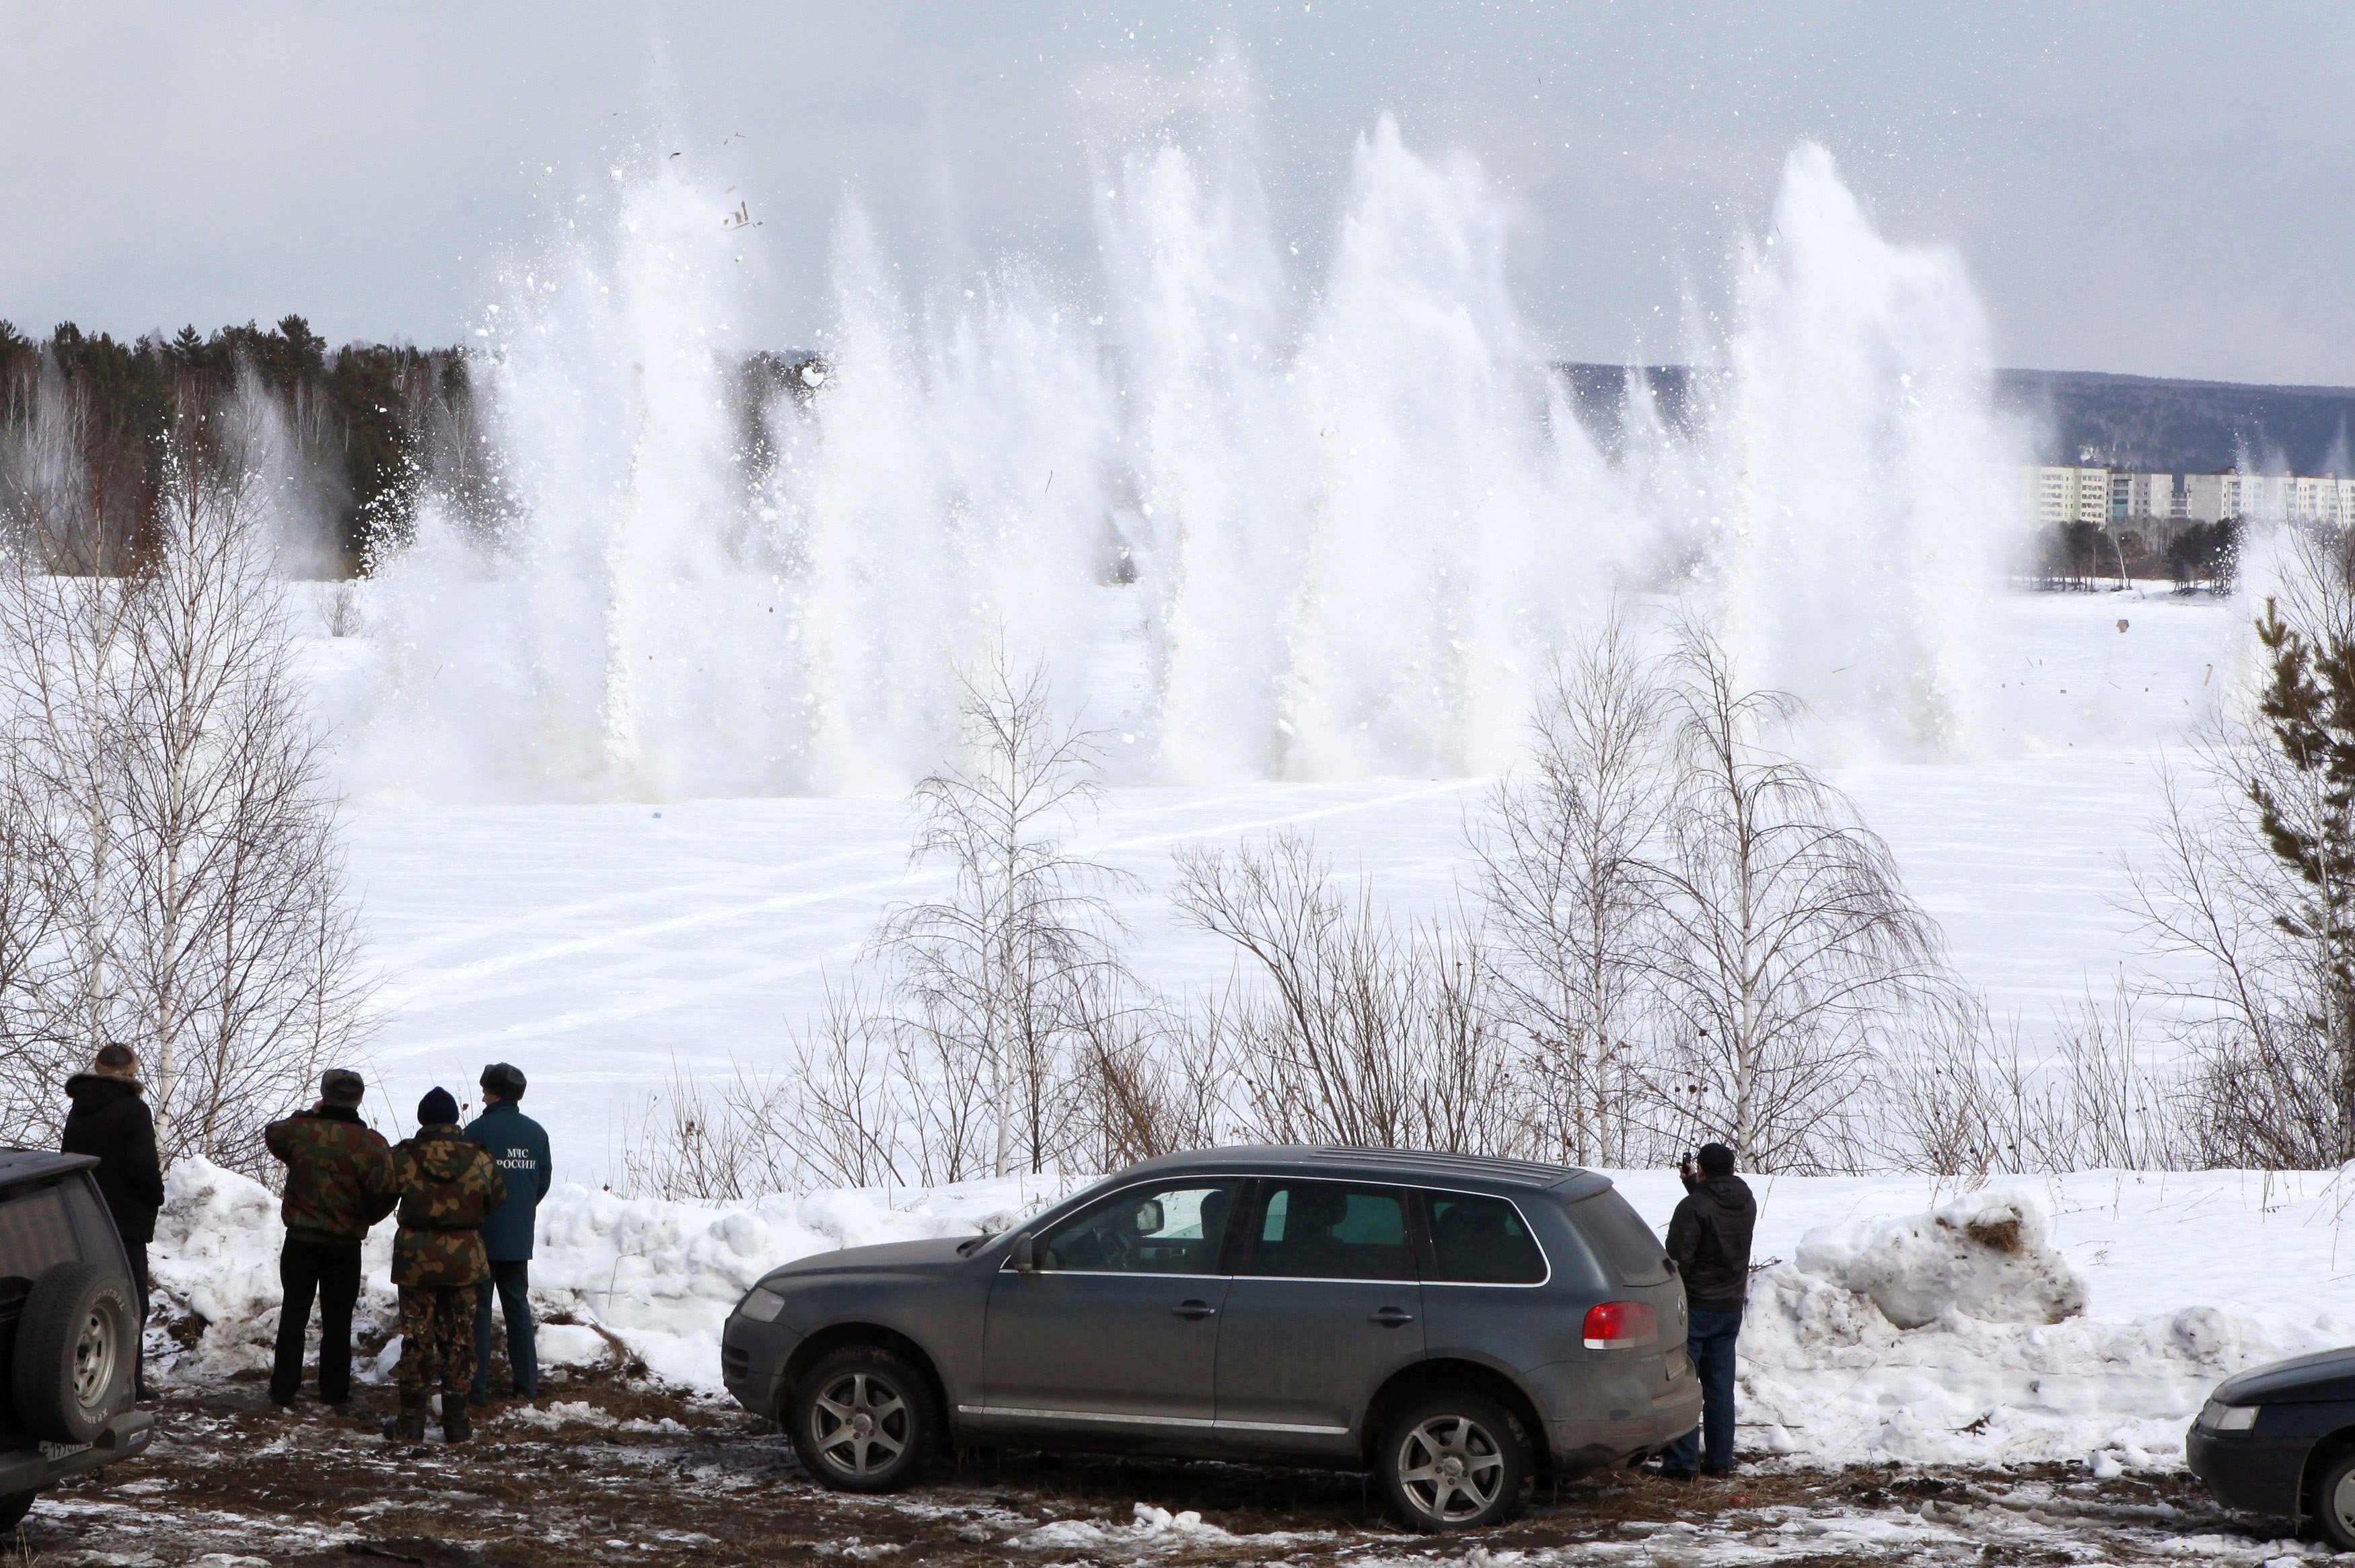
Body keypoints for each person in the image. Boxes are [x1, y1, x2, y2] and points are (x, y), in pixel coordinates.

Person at [264, 1068, 400, 1408]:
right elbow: (388, 1192)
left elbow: (273, 1134)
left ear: (324, 1096)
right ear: (359, 1100)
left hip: (301, 1240)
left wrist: (310, 1114)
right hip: (345, 1245)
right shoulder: (373, 1144)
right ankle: (335, 1391)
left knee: (294, 1313)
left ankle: (283, 1388)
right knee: (339, 1320)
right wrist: (366, 1218)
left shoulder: (300, 1130)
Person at [388, 1087, 505, 1444]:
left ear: (423, 1118)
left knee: (417, 1337)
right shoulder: (478, 1157)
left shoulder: (405, 1156)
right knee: (459, 1339)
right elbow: (497, 1198)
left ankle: (411, 1423)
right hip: (463, 1260)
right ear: (454, 1119)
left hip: (416, 1262)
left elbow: (380, 1190)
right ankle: (458, 1422)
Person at [62, 1043, 166, 1402]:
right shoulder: (134, 1110)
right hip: (125, 1222)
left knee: (93, 1304)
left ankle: (93, 1384)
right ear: (133, 1071)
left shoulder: (79, 1108)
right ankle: (130, 1385)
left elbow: (69, 1161)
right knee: (134, 1303)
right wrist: (156, 1196)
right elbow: (143, 1168)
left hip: (85, 1216)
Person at [1657, 1142, 1757, 1480]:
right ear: (1732, 1169)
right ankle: (1719, 1461)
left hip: (1696, 1308)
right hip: (1729, 1307)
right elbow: (1716, 1211)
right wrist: (1695, 1186)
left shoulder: (1692, 1207)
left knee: (1685, 1386)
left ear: (1700, 1168)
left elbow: (1677, 1260)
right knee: (1719, 1388)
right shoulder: (1746, 1202)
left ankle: (1682, 1465)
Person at [463, 1062, 551, 1407]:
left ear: (494, 1093)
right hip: (518, 1237)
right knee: (517, 1308)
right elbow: (541, 1183)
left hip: (482, 1236)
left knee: (480, 1312)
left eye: (485, 1088)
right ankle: (527, 1386)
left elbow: (464, 1183)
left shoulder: (477, 1131)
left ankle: (476, 1388)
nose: (482, 1094)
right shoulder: (536, 1133)